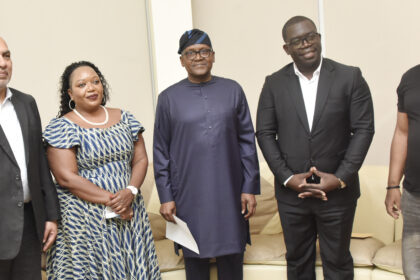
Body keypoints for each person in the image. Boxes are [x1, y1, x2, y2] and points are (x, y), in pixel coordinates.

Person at [256, 16, 374, 280]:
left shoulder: (349, 76)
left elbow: (364, 129)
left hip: (337, 193)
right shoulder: (274, 83)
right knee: (297, 262)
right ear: (287, 49)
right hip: (292, 196)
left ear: (319, 38)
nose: (307, 43)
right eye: (297, 41)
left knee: (338, 262)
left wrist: (341, 177)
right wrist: (287, 177)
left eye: (311, 36)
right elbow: (264, 133)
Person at [153, 29, 260, 280]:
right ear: (181, 60)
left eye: (204, 51)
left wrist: (249, 188)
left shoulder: (233, 90)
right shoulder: (168, 98)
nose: (198, 57)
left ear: (213, 56)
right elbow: (160, 151)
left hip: (230, 190)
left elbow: (247, 142)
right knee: (196, 260)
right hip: (189, 194)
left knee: (232, 256)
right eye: (191, 53)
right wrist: (166, 196)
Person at [43, 61, 161, 279]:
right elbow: (66, 178)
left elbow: (141, 160)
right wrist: (115, 202)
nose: (91, 88)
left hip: (129, 212)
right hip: (85, 219)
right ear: (70, 92)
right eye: (82, 84)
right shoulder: (61, 127)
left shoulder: (126, 119)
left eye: (95, 81)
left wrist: (131, 192)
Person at [0, 37, 60, 280]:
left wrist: (51, 215)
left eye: (6, 56)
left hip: (28, 225)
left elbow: (39, 163)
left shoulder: (26, 103)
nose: (3, 63)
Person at [385, 65, 420, 279]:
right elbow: (402, 132)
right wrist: (392, 184)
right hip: (414, 194)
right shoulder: (411, 78)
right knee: (414, 269)